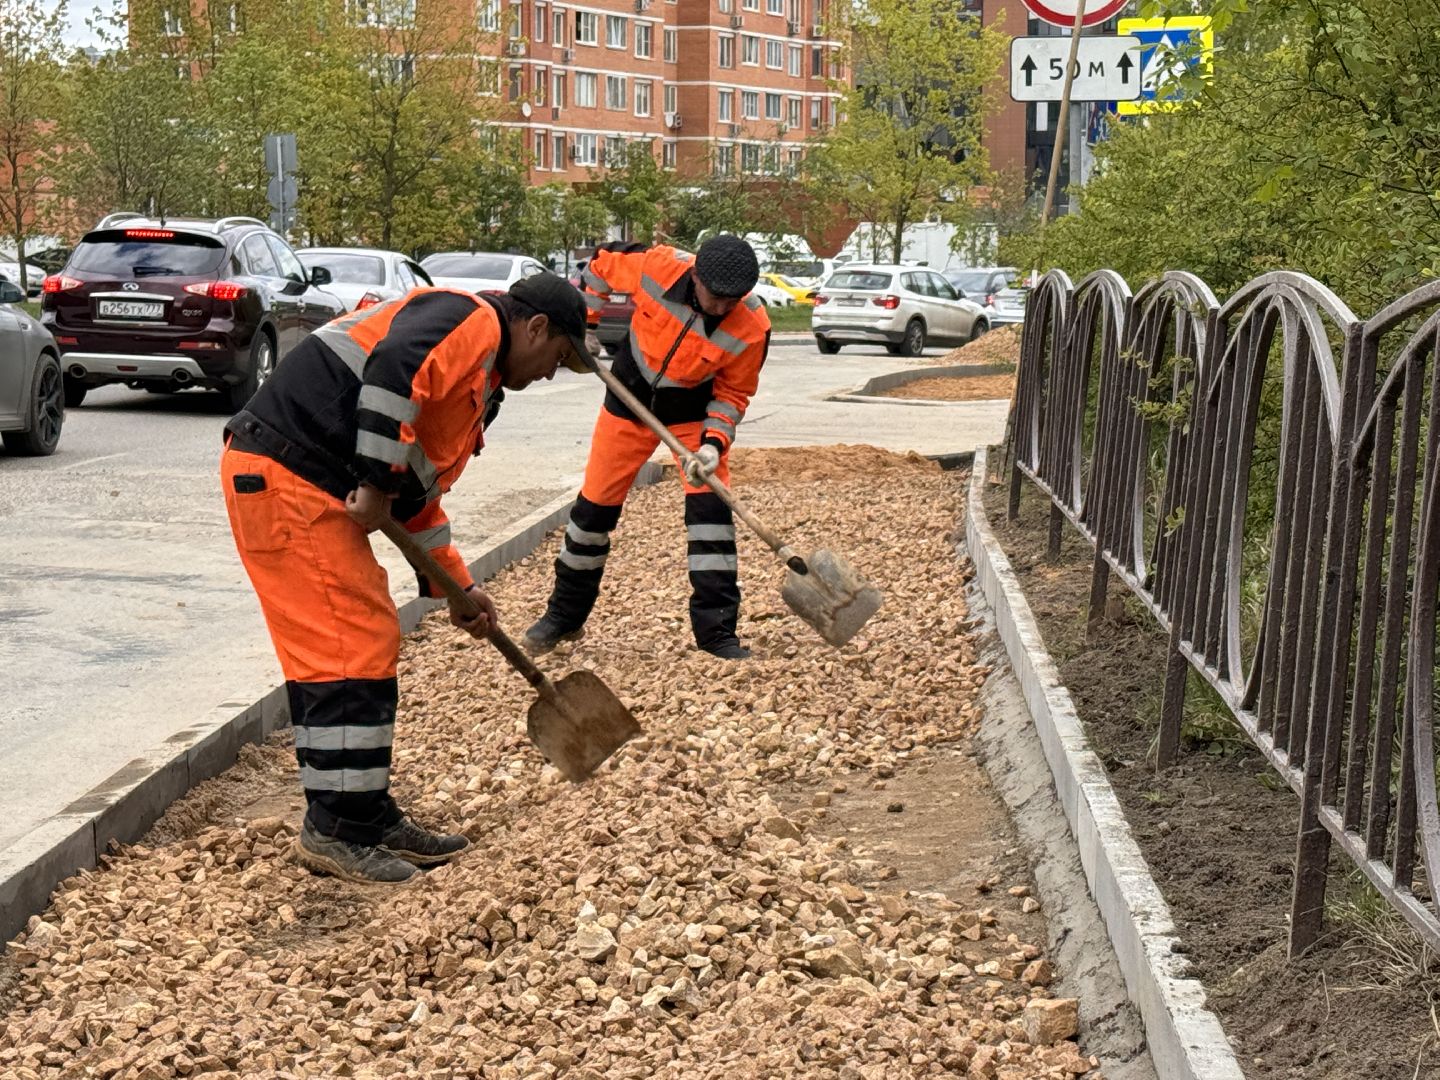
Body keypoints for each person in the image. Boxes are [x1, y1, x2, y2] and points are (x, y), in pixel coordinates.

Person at [221, 274, 591, 884]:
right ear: (535, 328)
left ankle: (362, 813)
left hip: (302, 479)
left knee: (352, 645)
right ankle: (338, 830)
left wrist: (457, 589)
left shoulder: (475, 385)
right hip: (285, 473)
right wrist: (373, 477)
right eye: (558, 357)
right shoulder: (471, 320)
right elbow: (392, 370)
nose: (552, 372)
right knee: (349, 645)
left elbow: (415, 497)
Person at [524, 235, 770, 661]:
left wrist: (713, 445)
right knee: (592, 513)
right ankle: (563, 616)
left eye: (730, 301)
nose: (719, 308)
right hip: (628, 395)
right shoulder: (657, 267)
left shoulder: (752, 326)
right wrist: (588, 327)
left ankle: (717, 635)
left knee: (711, 518)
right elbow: (600, 266)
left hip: (693, 413)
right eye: (714, 297)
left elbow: (732, 396)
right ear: (696, 275)